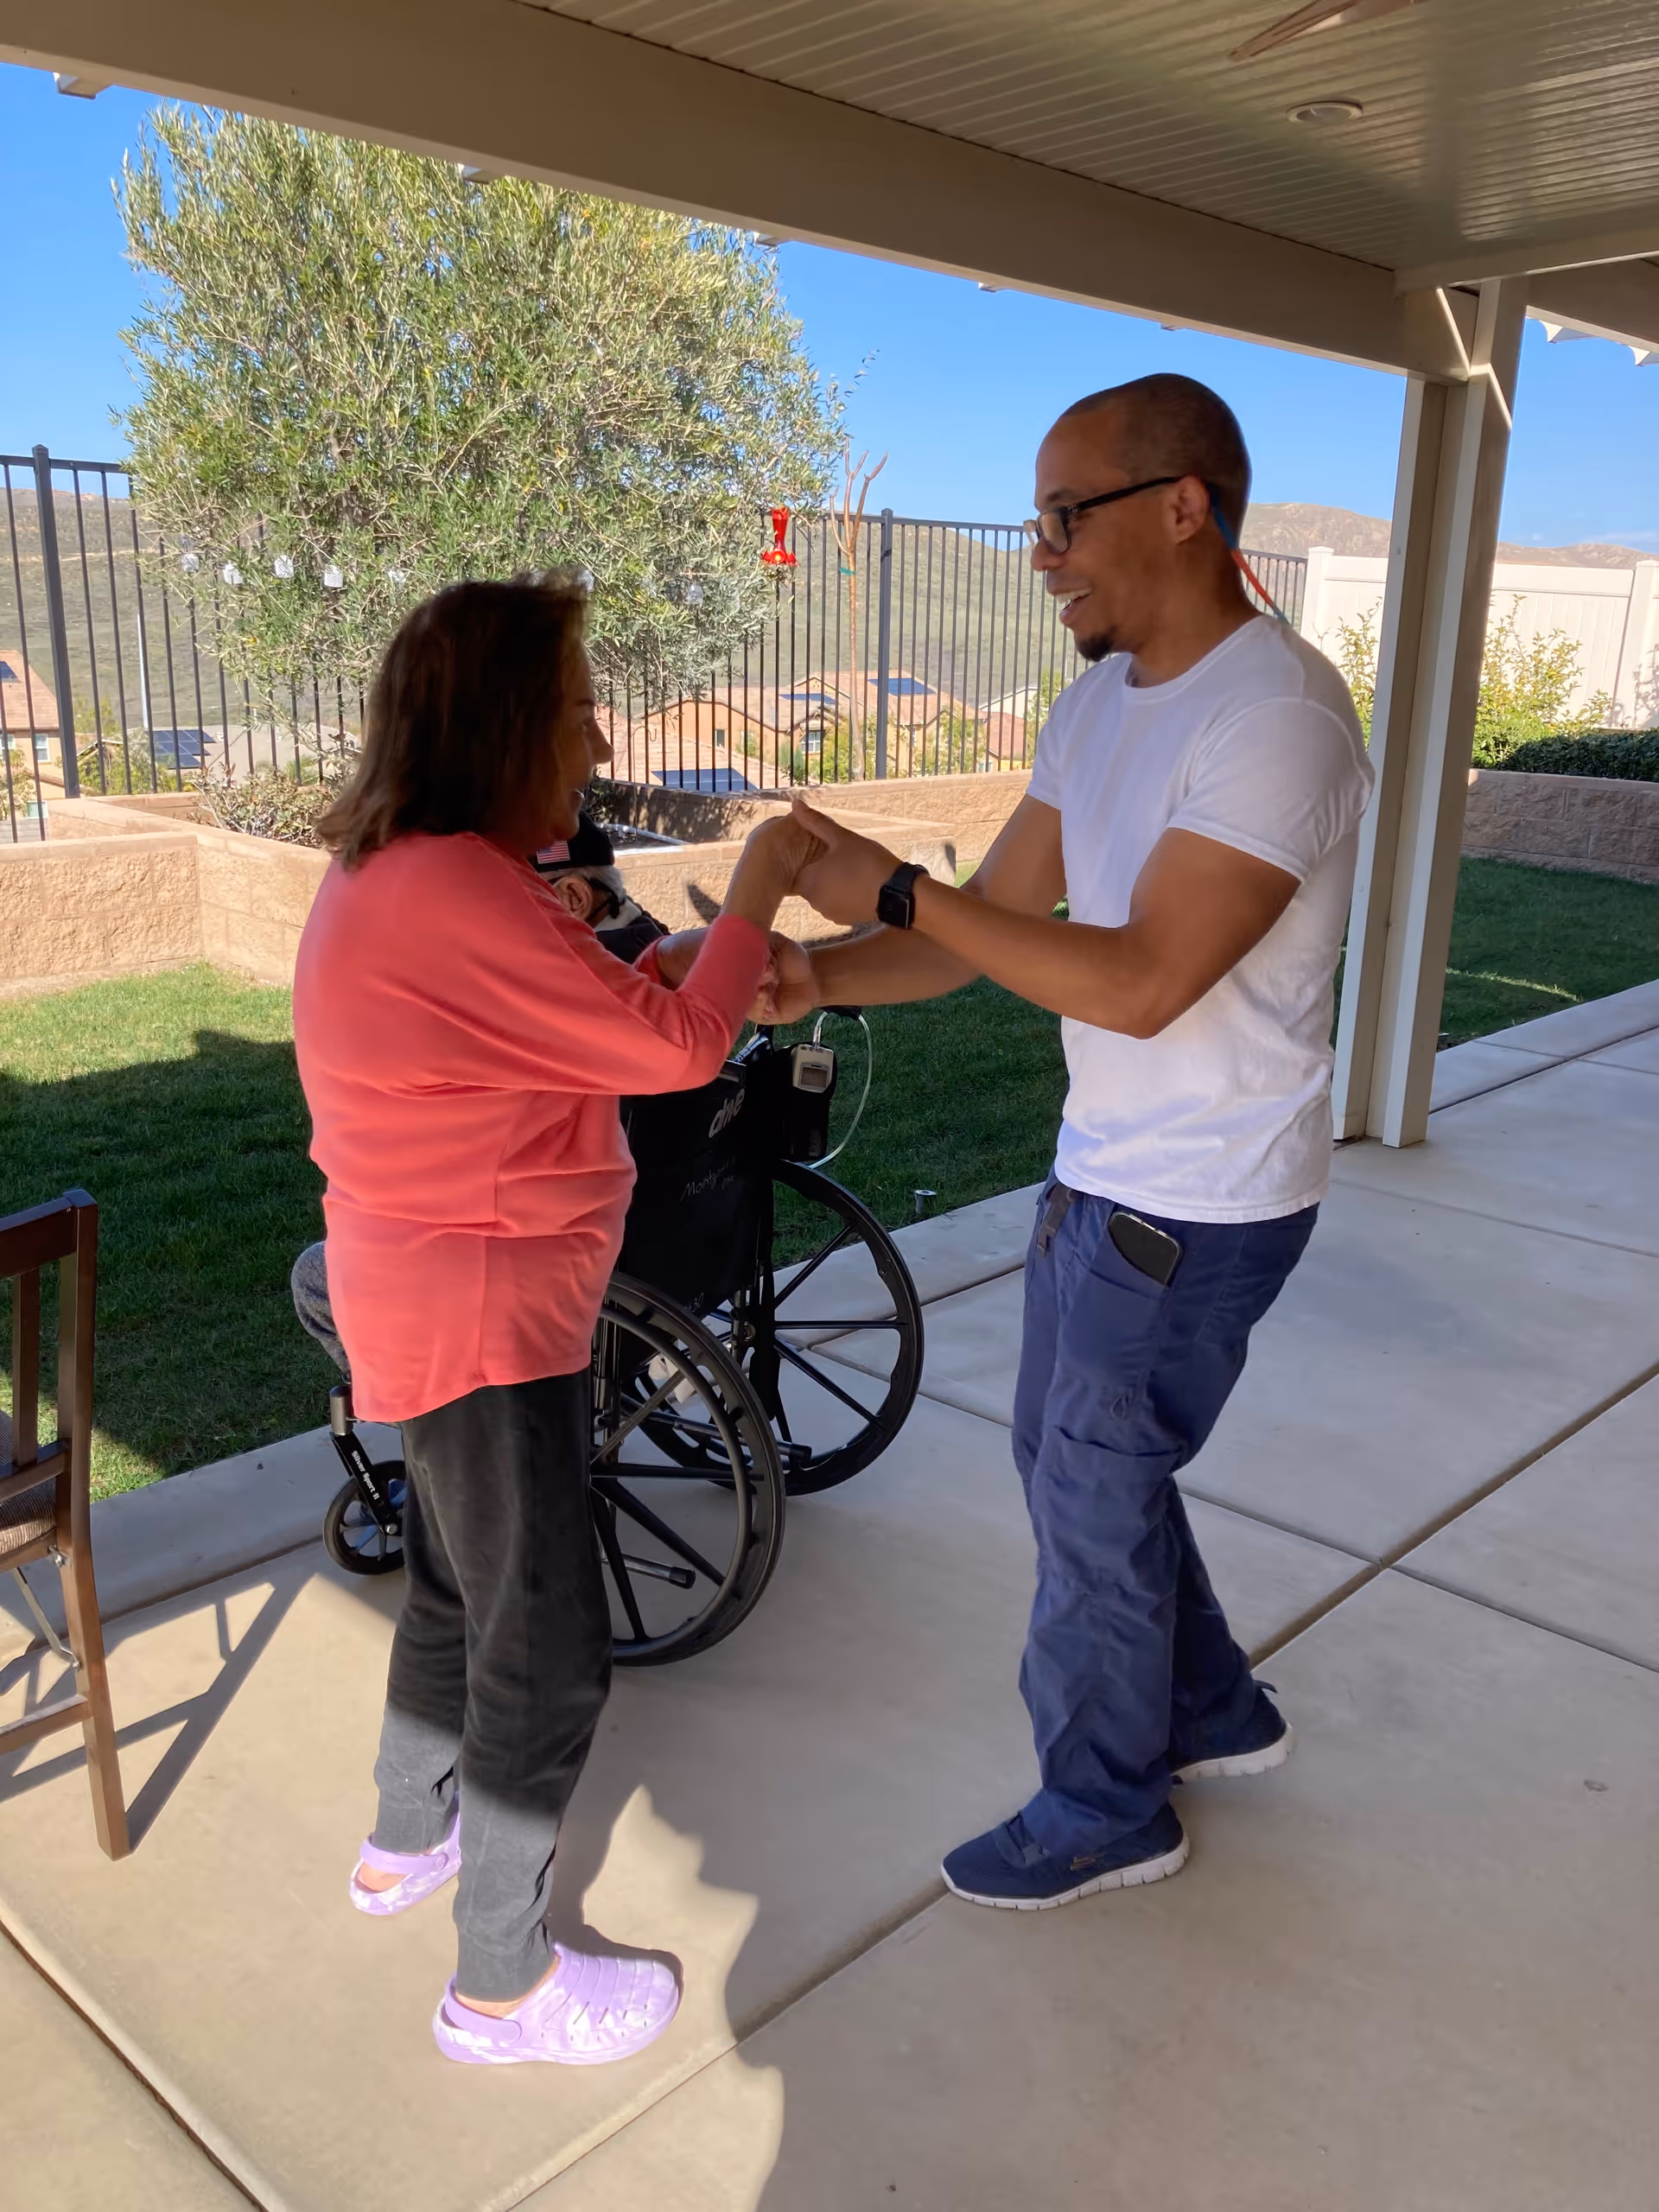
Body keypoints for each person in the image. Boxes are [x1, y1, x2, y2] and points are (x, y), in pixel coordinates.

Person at [763, 373, 1374, 1910]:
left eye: (1063, 516)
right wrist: (820, 972)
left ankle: (1106, 1806)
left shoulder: (1279, 720)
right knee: (1074, 1468)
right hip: (1107, 1169)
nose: (1040, 553)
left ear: (1185, 507)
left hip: (1204, 1195)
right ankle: (1212, 1712)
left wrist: (897, 889)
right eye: (1036, 521)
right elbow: (1004, 932)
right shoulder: (1100, 699)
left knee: (1092, 1494)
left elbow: (1147, 980)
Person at [292, 573, 818, 2062]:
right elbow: (675, 1052)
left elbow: (583, 995)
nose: (597, 736)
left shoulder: (416, 873)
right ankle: (503, 1987)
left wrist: (661, 955)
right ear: (508, 720)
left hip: (437, 1294)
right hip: (482, 1316)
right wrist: (763, 875)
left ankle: (407, 1841)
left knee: (462, 1588)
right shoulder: (454, 892)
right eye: (578, 704)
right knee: (549, 1639)